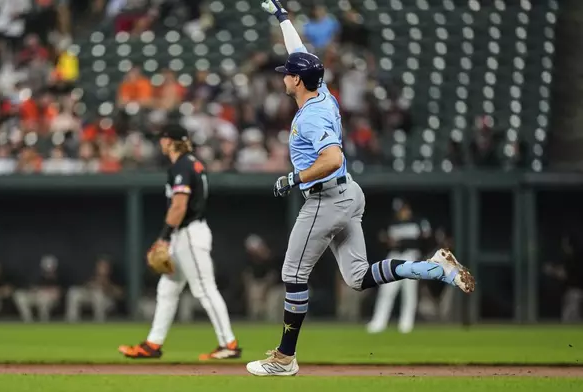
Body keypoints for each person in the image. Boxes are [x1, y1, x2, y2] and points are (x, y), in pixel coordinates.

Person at [246, 0, 476, 377]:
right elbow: (298, 51)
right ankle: (434, 269)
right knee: (357, 277)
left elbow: (332, 158)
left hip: (326, 197)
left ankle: (285, 358)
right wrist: (282, 17)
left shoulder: (313, 114)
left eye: (287, 74)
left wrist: (292, 179)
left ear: (298, 81)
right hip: (349, 194)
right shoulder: (320, 93)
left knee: (292, 273)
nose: (283, 76)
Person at [118, 123, 241, 361]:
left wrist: (163, 237)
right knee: (167, 289)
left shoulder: (183, 165)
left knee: (205, 289)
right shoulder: (191, 163)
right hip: (186, 234)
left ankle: (229, 343)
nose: (159, 143)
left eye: (162, 139)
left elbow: (179, 205)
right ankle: (153, 344)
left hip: (189, 234)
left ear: (169, 141)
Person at [366, 199, 433, 334]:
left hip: (411, 256)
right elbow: (382, 239)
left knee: (409, 292)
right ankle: (379, 322)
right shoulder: (391, 223)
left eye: (403, 209)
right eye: (399, 211)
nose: (401, 213)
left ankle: (406, 324)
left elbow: (427, 239)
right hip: (394, 256)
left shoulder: (418, 221)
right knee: (387, 291)